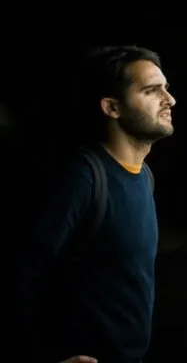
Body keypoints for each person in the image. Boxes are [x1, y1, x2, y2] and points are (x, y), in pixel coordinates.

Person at [11, 45, 176, 363]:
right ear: (112, 107)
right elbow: (18, 274)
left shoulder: (143, 175)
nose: (169, 100)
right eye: (151, 90)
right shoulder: (82, 178)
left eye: (166, 89)